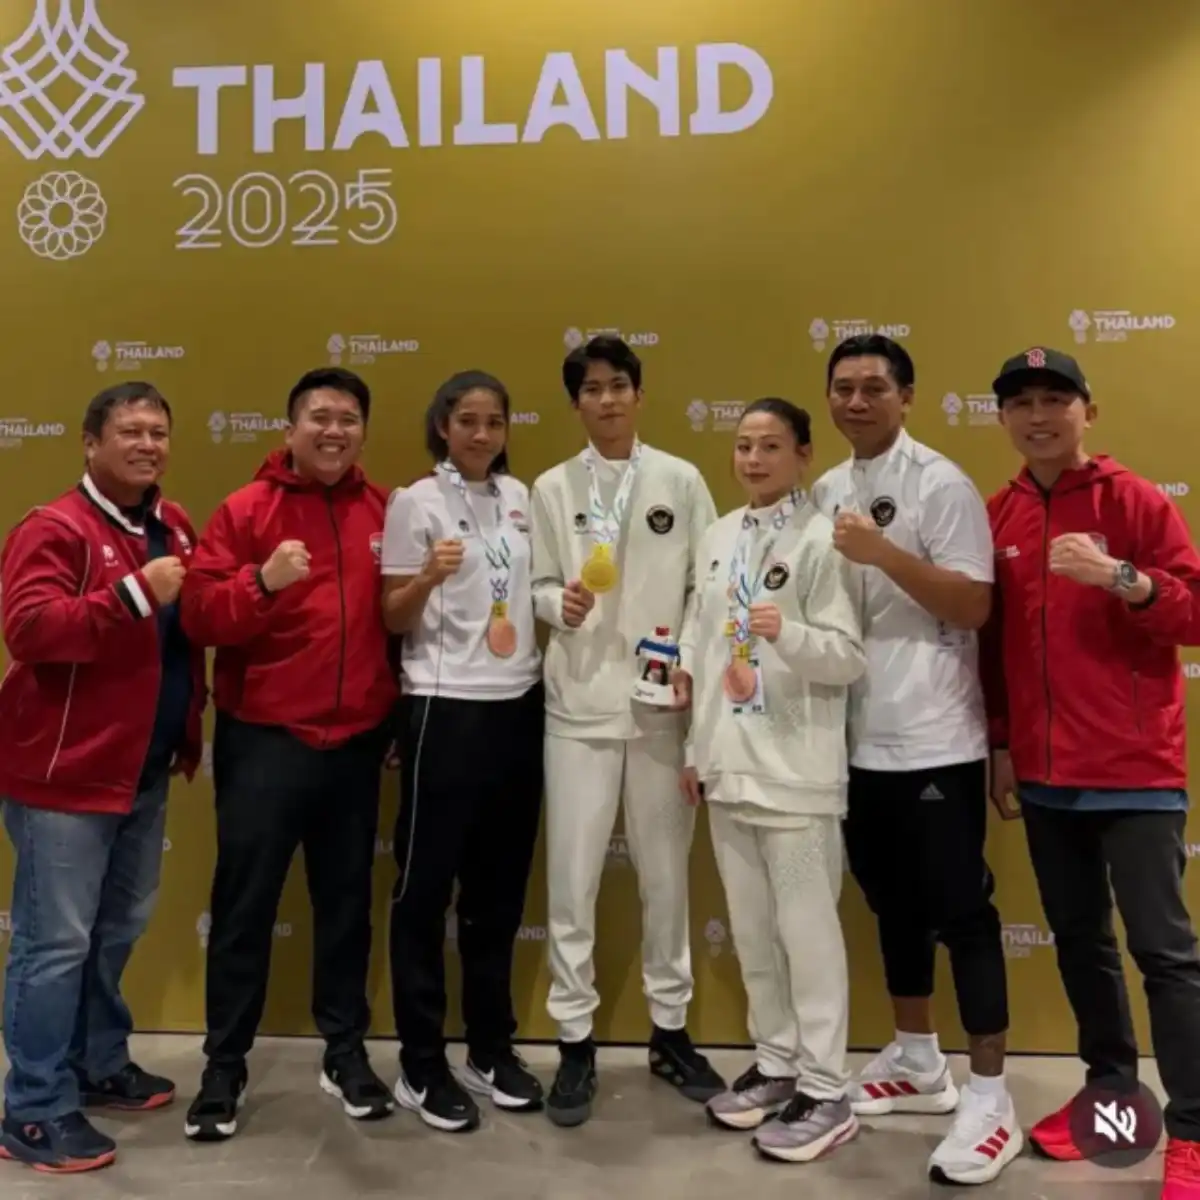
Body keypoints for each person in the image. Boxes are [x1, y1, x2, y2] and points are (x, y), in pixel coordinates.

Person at [984, 346, 1200, 1199]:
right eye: (1022, 403)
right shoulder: (1000, 513)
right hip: (1045, 776)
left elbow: (1194, 613)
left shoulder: (1135, 500)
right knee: (1081, 944)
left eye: (1055, 400)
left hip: (1135, 770)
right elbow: (993, 648)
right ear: (1003, 418)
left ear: (1087, 412)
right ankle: (1115, 1099)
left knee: (1165, 954)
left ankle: (1193, 1128)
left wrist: (1125, 579)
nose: (1038, 416)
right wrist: (1003, 742)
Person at [810, 334, 1020, 1185]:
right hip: (854, 742)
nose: (857, 402)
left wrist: (885, 554)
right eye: (843, 388)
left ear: (906, 397)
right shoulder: (825, 489)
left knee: (961, 912)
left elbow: (973, 605)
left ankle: (992, 1095)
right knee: (892, 904)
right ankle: (918, 1058)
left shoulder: (942, 484)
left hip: (935, 736)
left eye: (874, 388)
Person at [179, 367, 397, 1142]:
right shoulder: (247, 509)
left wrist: (395, 721)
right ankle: (223, 1067)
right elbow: (200, 617)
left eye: (347, 419)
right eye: (319, 417)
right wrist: (262, 584)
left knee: (346, 907)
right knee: (245, 909)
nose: (333, 431)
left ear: (362, 431)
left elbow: (403, 623)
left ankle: (345, 1053)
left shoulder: (385, 510)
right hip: (266, 743)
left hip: (356, 744)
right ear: (290, 428)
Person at [0, 382, 205, 1173]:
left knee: (116, 929)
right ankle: (32, 1108)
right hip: (65, 778)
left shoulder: (172, 523)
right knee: (54, 945)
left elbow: (181, 638)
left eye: (159, 431)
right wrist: (131, 594)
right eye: (131, 431)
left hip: (141, 771)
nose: (148, 444)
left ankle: (95, 1061)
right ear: (91, 443)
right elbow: (28, 629)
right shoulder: (53, 527)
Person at [530, 334, 724, 1127]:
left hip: (658, 709)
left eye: (618, 386)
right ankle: (574, 1041)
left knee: (665, 878)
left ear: (639, 395)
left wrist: (688, 662)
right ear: (575, 403)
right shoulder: (552, 487)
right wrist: (558, 604)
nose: (606, 400)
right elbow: (537, 582)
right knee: (571, 881)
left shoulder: (680, 479)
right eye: (592, 389)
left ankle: (670, 1031)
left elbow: (707, 584)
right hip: (577, 706)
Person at [677, 399, 865, 1163]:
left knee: (807, 937)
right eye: (744, 446)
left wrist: (788, 633)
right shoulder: (720, 535)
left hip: (796, 776)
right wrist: (697, 752)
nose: (753, 459)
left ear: (803, 455)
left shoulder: (825, 539)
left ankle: (827, 1087)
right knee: (753, 934)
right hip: (730, 768)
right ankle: (778, 1062)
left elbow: (847, 657)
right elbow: (702, 647)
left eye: (771, 446)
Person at [380, 371, 545, 1133]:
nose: (482, 434)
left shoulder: (520, 499)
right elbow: (392, 615)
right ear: (443, 426)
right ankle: (421, 1061)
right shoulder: (415, 501)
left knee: (498, 893)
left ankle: (489, 1048)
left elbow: (530, 591)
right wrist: (426, 577)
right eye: (468, 420)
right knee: (423, 893)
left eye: (495, 422)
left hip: (518, 704)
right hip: (442, 707)